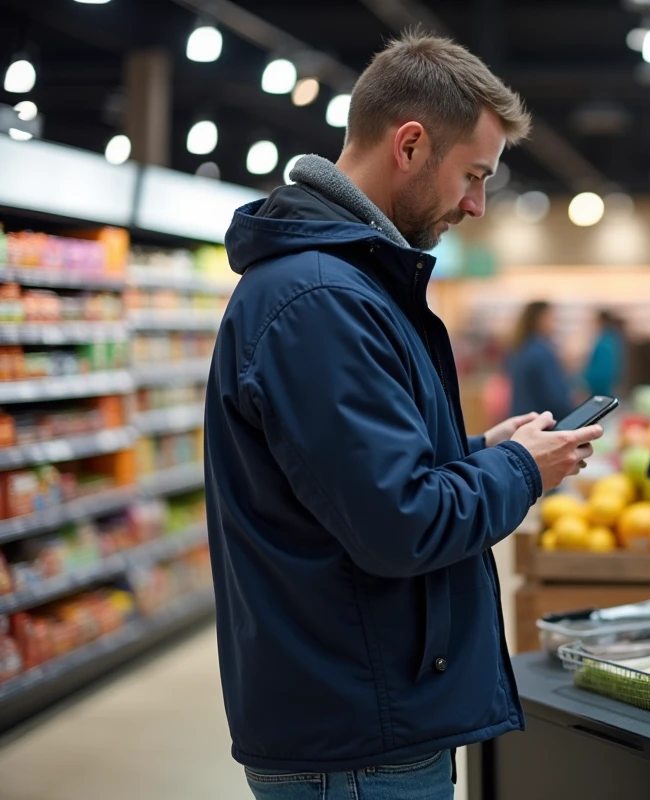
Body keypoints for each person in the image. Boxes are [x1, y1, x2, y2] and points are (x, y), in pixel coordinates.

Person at [204, 33, 604, 800]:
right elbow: (400, 521)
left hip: (362, 708)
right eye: (474, 175)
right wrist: (521, 470)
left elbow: (358, 479)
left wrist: (478, 448)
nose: (477, 205)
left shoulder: (348, 285)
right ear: (412, 145)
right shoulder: (322, 301)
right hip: (356, 735)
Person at [507, 300, 574, 421]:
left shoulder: (522, 347)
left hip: (523, 420)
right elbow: (556, 398)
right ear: (540, 319)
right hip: (541, 423)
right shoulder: (541, 352)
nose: (556, 324)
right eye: (552, 318)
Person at [583, 309, 626, 398]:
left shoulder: (605, 343)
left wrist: (585, 382)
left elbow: (602, 372)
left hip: (601, 391)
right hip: (607, 389)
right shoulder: (613, 339)